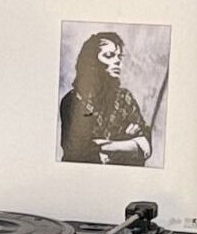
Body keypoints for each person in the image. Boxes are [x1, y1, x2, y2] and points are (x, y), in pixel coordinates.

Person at [59, 31, 153, 166]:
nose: (117, 61)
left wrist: (105, 145)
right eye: (109, 55)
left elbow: (146, 146)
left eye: (119, 57)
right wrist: (127, 142)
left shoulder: (125, 98)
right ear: (91, 61)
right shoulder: (72, 101)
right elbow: (76, 152)